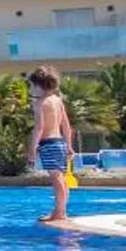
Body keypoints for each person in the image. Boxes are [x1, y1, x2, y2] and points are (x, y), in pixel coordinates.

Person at [30, 65, 75, 226]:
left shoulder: (41, 103)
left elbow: (39, 128)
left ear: (38, 86)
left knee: (56, 179)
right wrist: (69, 146)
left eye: (32, 85)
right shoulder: (57, 101)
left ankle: (60, 212)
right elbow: (67, 126)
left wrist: (32, 149)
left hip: (48, 143)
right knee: (61, 178)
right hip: (60, 142)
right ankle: (60, 210)